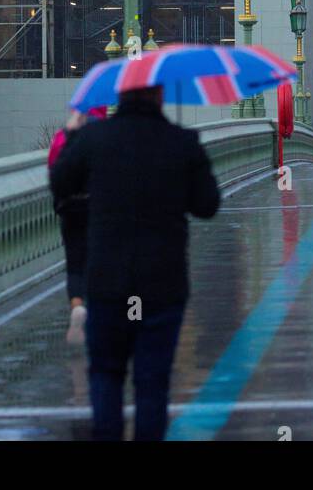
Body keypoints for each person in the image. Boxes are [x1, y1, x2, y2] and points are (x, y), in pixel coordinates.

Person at [50, 85, 220, 442]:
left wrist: (71, 131)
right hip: (162, 284)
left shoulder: (94, 139)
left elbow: (60, 183)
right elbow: (207, 205)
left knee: (106, 374)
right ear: (159, 97)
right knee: (152, 380)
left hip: (108, 283)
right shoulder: (182, 141)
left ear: (120, 97)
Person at [48, 107, 106, 346]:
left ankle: (77, 305)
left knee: (75, 263)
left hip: (70, 208)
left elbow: (53, 169)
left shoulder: (63, 136)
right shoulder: (106, 136)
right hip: (99, 208)